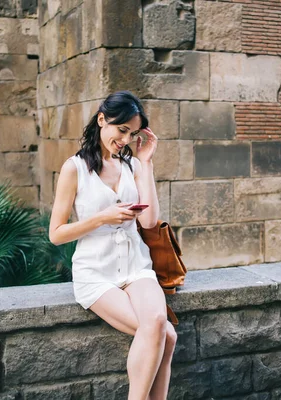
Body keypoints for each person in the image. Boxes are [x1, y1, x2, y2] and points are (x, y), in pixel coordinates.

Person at [49, 90, 177, 400]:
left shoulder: (133, 166)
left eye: (132, 134)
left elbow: (149, 223)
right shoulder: (74, 168)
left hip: (136, 267)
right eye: (122, 130)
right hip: (96, 272)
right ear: (102, 119)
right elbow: (56, 234)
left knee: (159, 323)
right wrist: (101, 218)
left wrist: (146, 163)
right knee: (166, 335)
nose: (125, 139)